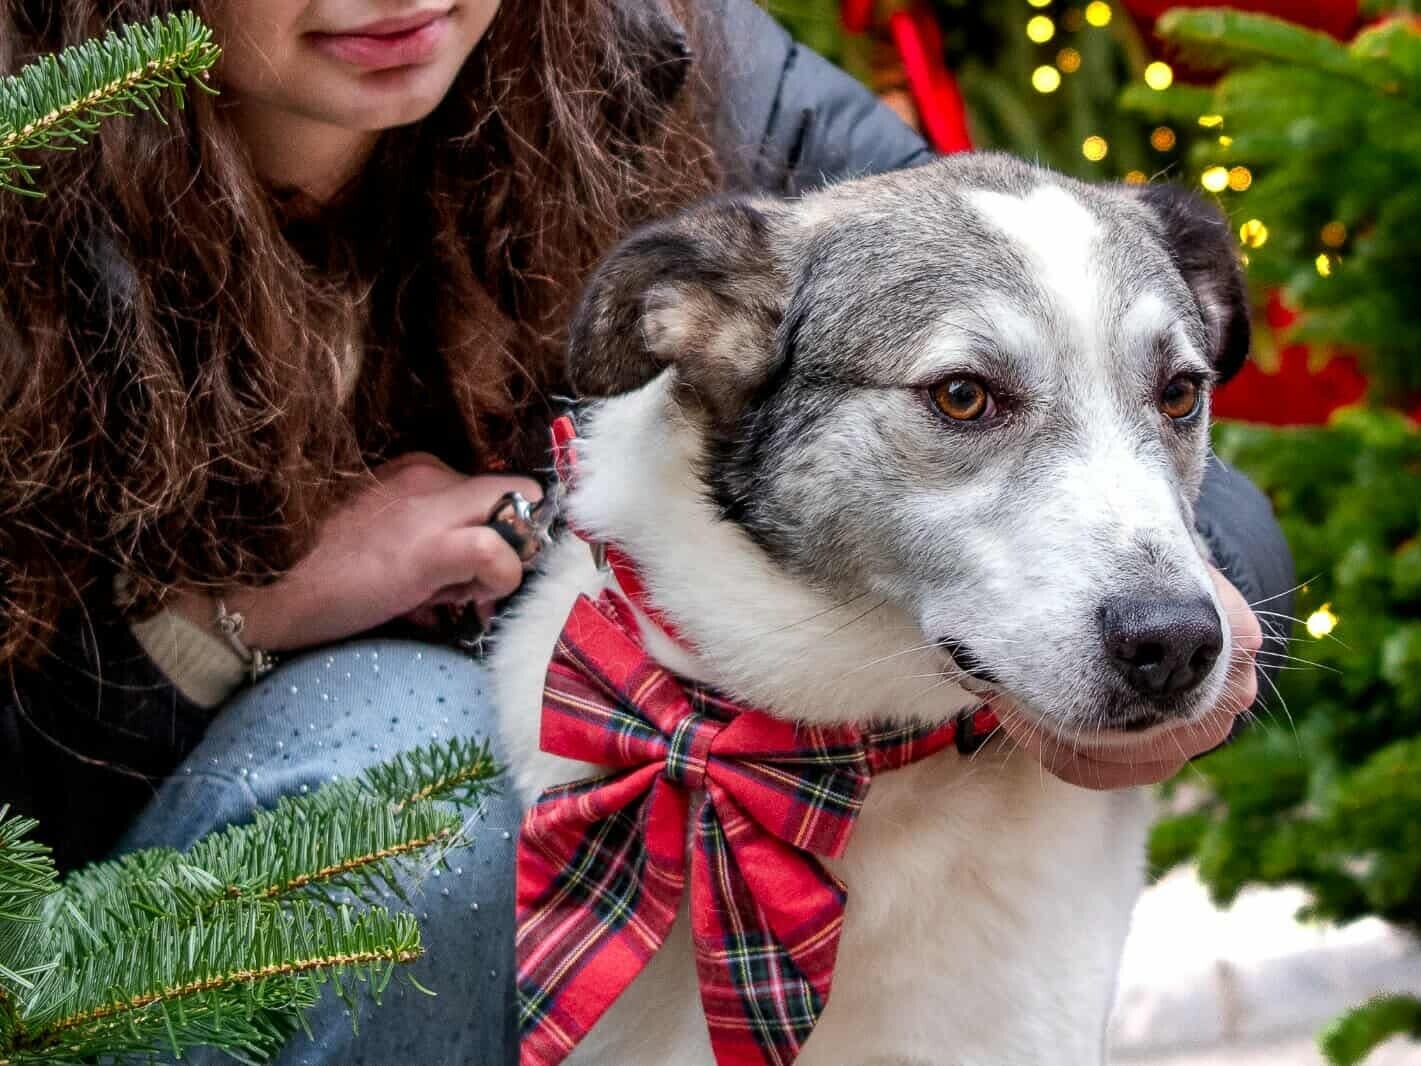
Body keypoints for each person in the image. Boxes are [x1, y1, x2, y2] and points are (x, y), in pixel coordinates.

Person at [0, 1, 1295, 1062]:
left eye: (1177, 395)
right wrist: (221, 623)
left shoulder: (660, 51)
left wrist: (1198, 596)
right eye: (966, 397)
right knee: (416, 758)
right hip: (144, 912)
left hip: (769, 784)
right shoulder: (30, 176)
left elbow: (1042, 301)